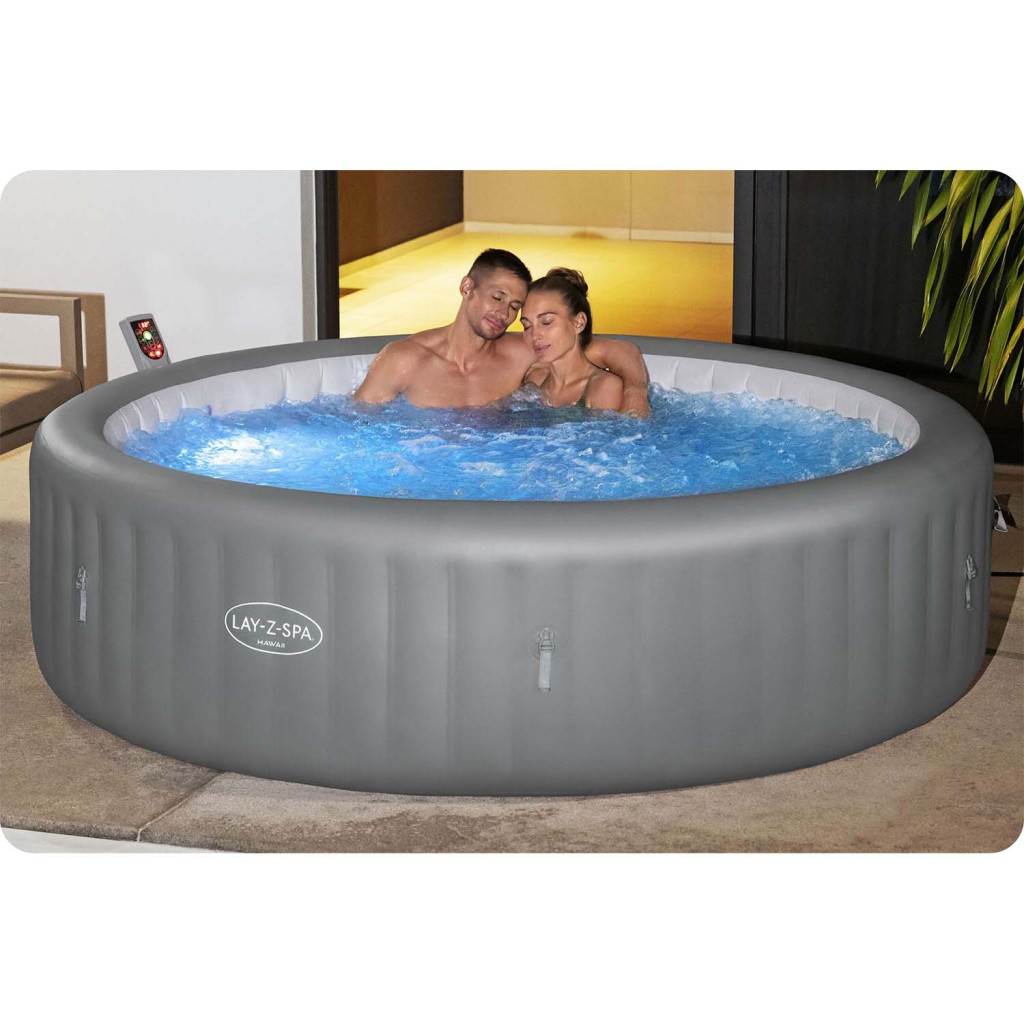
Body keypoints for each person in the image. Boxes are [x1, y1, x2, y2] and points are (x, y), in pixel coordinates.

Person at [353, 249, 650, 415]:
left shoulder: (522, 350)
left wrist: (635, 393)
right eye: (497, 297)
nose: (503, 313)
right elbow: (358, 428)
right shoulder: (403, 359)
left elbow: (622, 351)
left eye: (514, 306)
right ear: (467, 287)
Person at [519, 268, 621, 410]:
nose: (534, 335)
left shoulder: (604, 386)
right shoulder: (535, 382)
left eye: (546, 322)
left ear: (579, 323)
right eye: (527, 326)